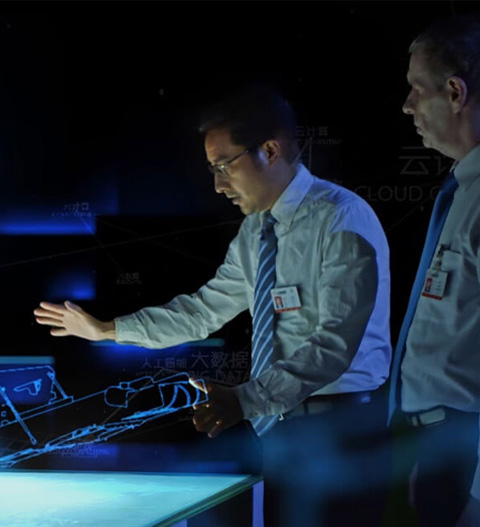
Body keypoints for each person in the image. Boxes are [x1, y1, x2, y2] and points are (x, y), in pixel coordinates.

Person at [34, 85, 391, 527]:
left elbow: (335, 344)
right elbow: (203, 311)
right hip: (282, 428)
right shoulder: (256, 232)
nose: (219, 185)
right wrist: (107, 330)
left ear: (270, 150)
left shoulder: (341, 218)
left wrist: (245, 399)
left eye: (225, 166)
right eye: (212, 169)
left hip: (342, 431)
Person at [389, 14, 480, 527]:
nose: (407, 105)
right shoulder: (464, 190)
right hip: (443, 447)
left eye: (416, 89)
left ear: (455, 92)